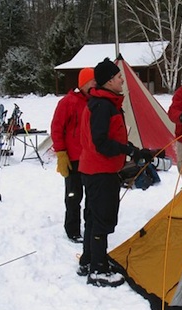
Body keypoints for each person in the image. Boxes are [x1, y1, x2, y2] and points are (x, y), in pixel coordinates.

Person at [77, 58, 152, 287]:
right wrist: (127, 150)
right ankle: (98, 269)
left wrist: (132, 150)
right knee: (101, 217)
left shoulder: (106, 103)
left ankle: (90, 259)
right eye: (119, 77)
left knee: (93, 215)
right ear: (109, 81)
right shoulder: (102, 105)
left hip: (96, 169)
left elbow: (113, 136)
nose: (122, 81)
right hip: (100, 171)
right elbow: (101, 142)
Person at [51, 67, 96, 243]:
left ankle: (90, 227)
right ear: (84, 83)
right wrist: (61, 153)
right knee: (73, 195)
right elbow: (56, 129)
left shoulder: (95, 102)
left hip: (90, 158)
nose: (95, 84)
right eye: (92, 81)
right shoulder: (67, 102)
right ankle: (72, 229)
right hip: (73, 158)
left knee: (92, 197)